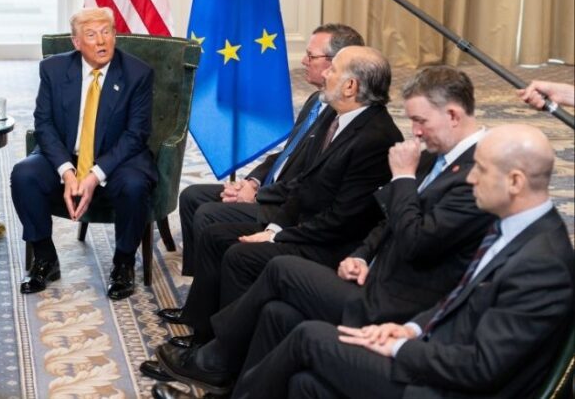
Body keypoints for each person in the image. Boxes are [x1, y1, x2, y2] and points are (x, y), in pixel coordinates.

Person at [146, 66, 494, 392]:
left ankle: (214, 360)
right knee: (276, 312)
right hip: (370, 274)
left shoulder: (478, 173)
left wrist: (402, 177)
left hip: (398, 303)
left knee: (281, 269)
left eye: (420, 121)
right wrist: (362, 256)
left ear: (452, 115)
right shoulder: (436, 154)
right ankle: (232, 383)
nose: (414, 131)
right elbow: (386, 222)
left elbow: (418, 240)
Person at [231, 124, 575, 399]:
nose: (470, 178)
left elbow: (483, 368)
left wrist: (399, 347)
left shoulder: (542, 264)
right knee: (302, 375)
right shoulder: (514, 225)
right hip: (437, 353)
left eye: (481, 170)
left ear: (515, 182)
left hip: (449, 388)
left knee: (309, 336)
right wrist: (411, 328)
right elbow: (459, 300)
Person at [160, 46, 402, 340]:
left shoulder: (375, 137)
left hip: (330, 244)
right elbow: (303, 184)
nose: (325, 73)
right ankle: (204, 331)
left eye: (333, 69)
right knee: (215, 235)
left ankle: (224, 351)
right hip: (303, 222)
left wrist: (276, 236)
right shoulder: (335, 116)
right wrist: (275, 226)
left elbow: (342, 220)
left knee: (240, 255)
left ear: (351, 86)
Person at [177, 24, 364, 277]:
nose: (304, 61)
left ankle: (211, 290)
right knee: (192, 196)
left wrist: (259, 196)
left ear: (335, 63)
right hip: (270, 189)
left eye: (311, 56)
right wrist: (253, 182)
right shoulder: (316, 100)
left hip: (285, 204)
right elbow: (286, 154)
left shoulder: (338, 116)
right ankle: (201, 280)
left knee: (209, 216)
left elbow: (310, 178)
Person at [10, 6, 155, 301]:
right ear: (76, 42)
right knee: (24, 174)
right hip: (67, 155)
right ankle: (45, 257)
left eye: (106, 32)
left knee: (135, 185)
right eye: (91, 35)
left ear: (115, 35)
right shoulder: (54, 69)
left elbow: (135, 135)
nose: (101, 41)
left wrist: (93, 176)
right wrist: (66, 170)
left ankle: (123, 263)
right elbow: (44, 124)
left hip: (117, 159)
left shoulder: (138, 74)